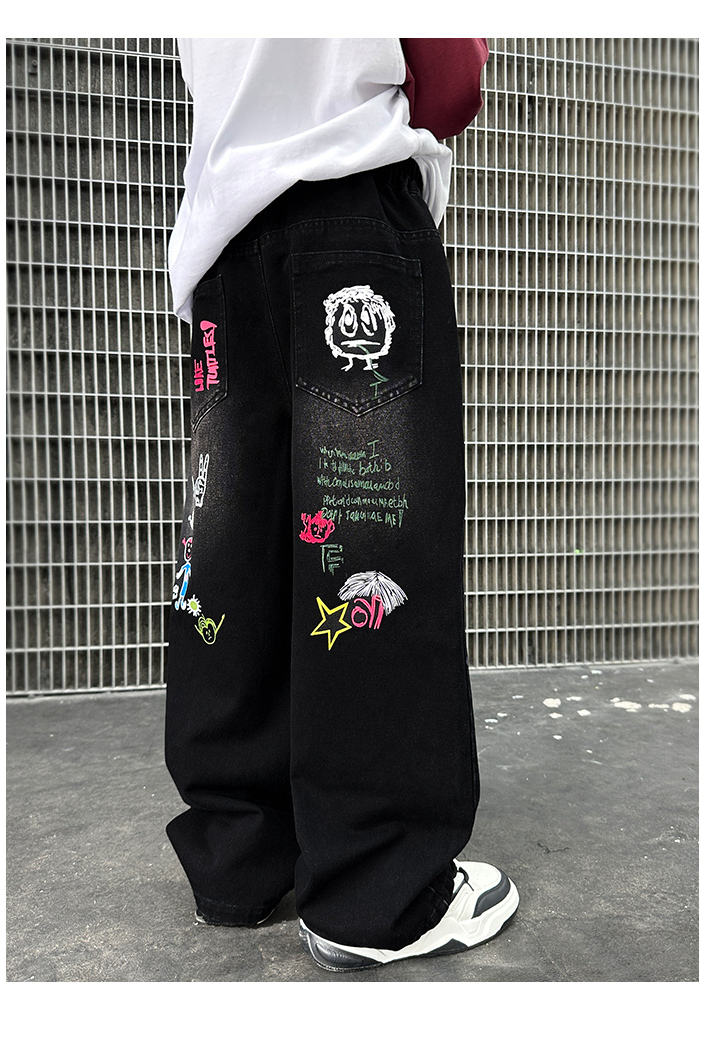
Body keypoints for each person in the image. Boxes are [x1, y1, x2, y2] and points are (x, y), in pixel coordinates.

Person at [164, 37, 519, 972]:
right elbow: (451, 78)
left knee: (231, 559)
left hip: (223, 243)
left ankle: (239, 854)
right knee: (370, 548)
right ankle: (378, 891)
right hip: (351, 206)